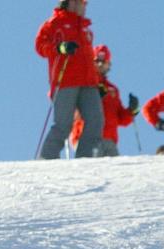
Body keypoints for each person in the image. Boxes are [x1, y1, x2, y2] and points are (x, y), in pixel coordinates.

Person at [34, 0, 103, 159]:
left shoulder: (85, 28)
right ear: (71, 3)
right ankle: (46, 157)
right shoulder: (54, 23)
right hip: (66, 81)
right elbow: (40, 46)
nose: (85, 6)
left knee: (95, 120)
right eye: (82, 3)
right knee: (63, 125)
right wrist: (59, 48)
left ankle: (85, 157)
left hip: (88, 82)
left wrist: (97, 82)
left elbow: (88, 59)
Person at [70, 45, 139, 157]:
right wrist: (95, 98)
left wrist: (132, 110)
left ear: (109, 64)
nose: (100, 64)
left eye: (104, 61)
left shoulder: (113, 89)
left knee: (115, 172)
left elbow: (121, 119)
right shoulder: (82, 83)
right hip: (87, 138)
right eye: (97, 61)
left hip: (109, 140)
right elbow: (72, 111)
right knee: (91, 171)